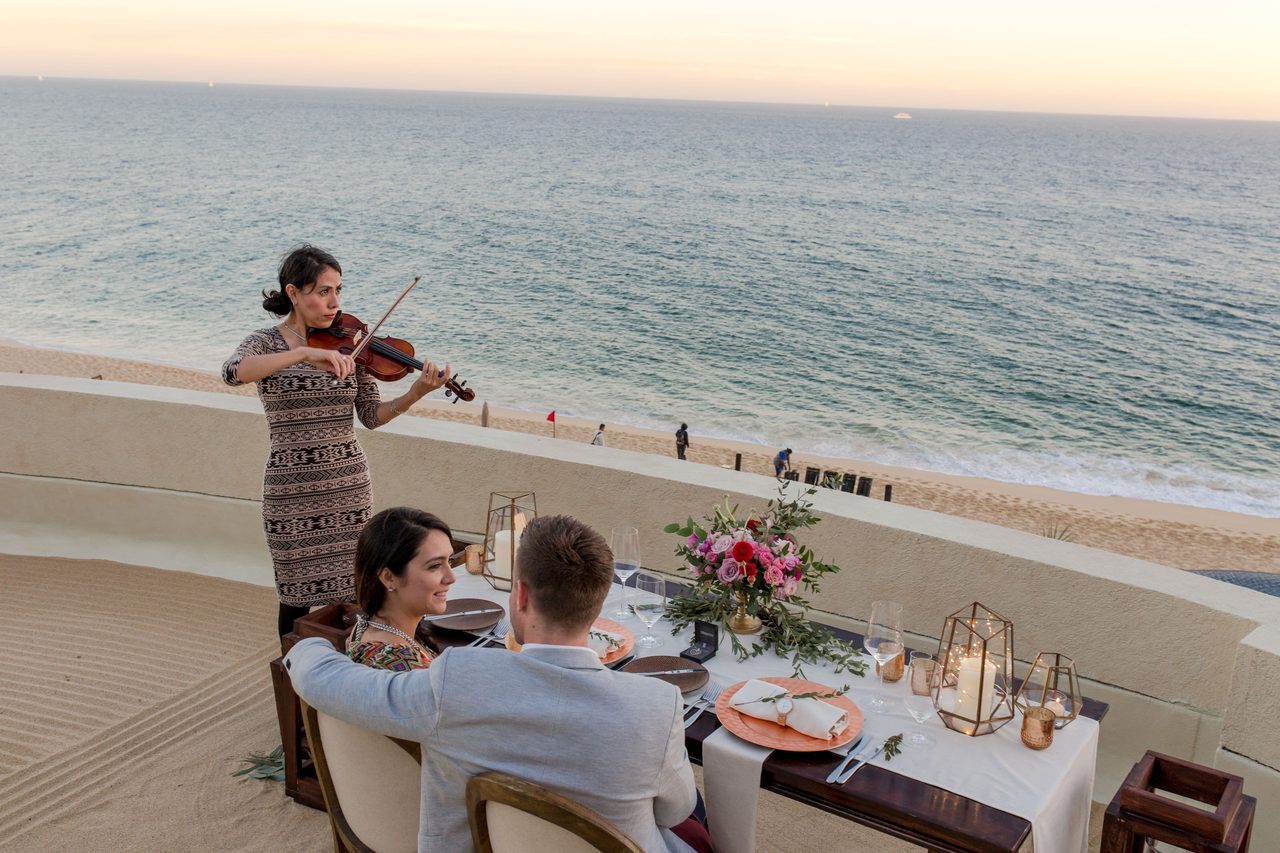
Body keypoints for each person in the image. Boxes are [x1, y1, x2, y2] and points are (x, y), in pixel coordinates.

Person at [284, 515, 710, 853]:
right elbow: (676, 809)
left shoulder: (456, 680)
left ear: (521, 597)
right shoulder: (658, 704)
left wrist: (307, 649)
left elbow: (323, 679)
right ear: (598, 603)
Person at [222, 244, 451, 640]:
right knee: (294, 598)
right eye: (323, 291)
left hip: (348, 489)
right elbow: (232, 372)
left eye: (338, 291)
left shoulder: (351, 345)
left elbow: (371, 416)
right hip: (291, 493)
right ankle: (296, 678)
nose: (334, 303)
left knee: (361, 594)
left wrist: (417, 392)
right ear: (293, 293)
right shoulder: (265, 343)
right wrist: (303, 354)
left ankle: (361, 673)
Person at [346, 507, 456, 671]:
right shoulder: (404, 668)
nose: (452, 577)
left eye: (450, 561)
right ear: (389, 578)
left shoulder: (367, 625)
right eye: (434, 566)